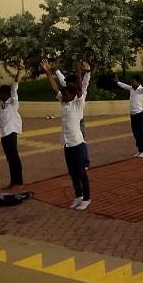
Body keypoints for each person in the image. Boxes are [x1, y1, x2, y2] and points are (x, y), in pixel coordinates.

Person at [41, 58, 92, 211]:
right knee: (72, 172)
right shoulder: (63, 102)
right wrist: (49, 73)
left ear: (72, 94)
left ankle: (87, 198)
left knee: (81, 172)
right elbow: (54, 88)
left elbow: (81, 87)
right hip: (67, 143)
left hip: (77, 143)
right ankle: (78, 196)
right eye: (62, 93)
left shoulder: (78, 103)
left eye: (65, 93)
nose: (62, 95)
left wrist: (82, 71)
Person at [0, 63, 24, 189]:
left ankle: (18, 182)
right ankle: (14, 181)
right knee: (9, 158)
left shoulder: (13, 102)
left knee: (14, 157)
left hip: (11, 132)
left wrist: (18, 75)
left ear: (6, 95)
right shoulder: (1, 103)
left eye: (0, 94)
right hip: (3, 133)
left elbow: (14, 88)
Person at [114, 69, 143, 157]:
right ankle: (140, 149)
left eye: (133, 82)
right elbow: (124, 86)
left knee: (141, 132)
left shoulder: (142, 90)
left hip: (139, 114)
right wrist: (117, 82)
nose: (131, 84)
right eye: (131, 82)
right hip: (132, 115)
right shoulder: (131, 89)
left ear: (138, 82)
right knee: (135, 133)